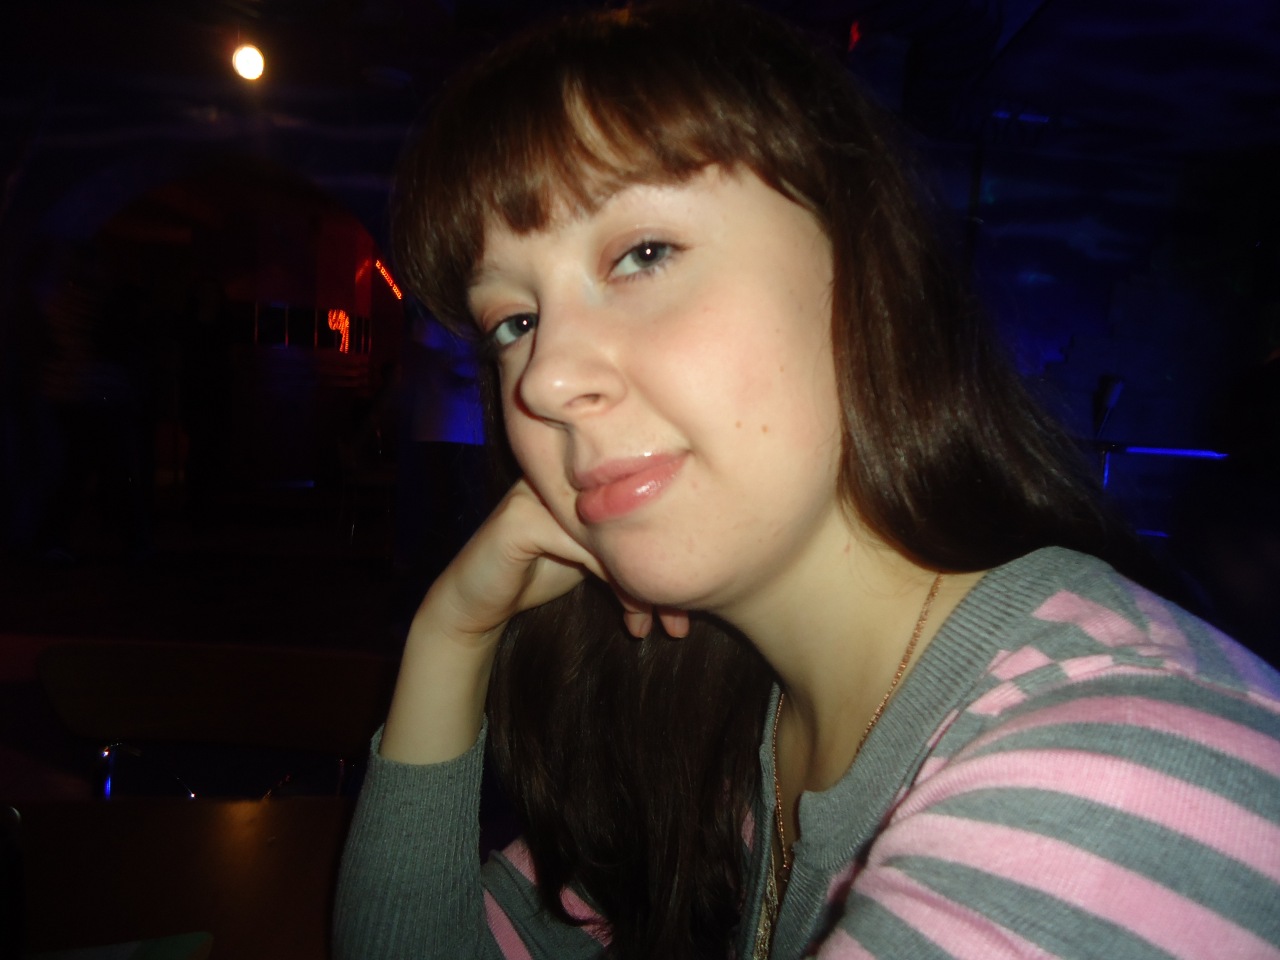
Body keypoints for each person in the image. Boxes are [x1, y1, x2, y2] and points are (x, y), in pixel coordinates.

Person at [334, 3, 1280, 958]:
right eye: (514, 321)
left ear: (866, 270)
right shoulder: (728, 724)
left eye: (643, 254)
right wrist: (452, 632)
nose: (542, 382)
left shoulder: (1105, 792)